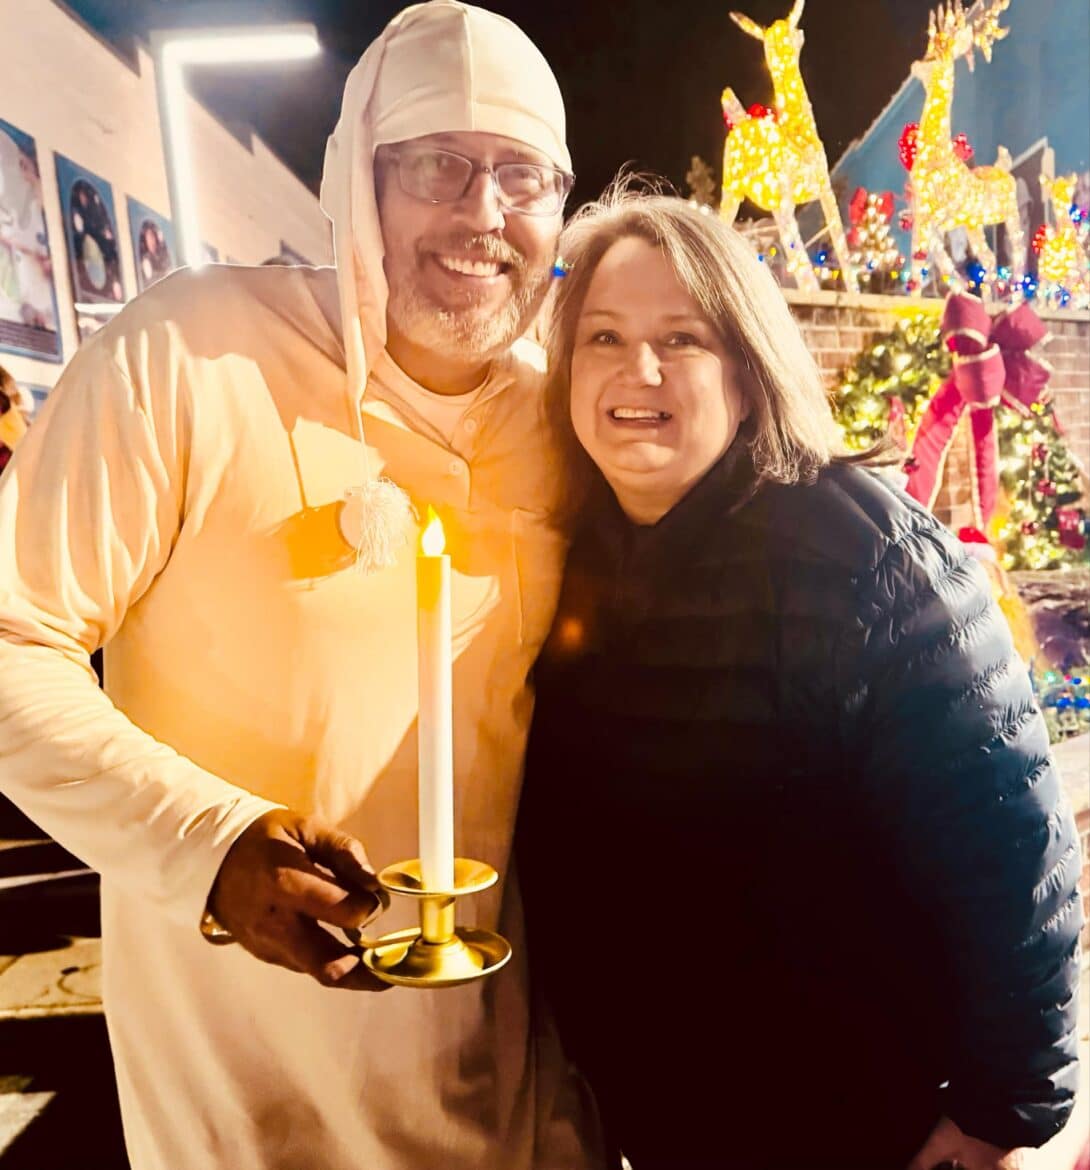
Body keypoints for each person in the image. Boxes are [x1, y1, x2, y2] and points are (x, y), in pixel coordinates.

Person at [0, 3, 605, 1168]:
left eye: (521, 174)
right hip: (251, 1113)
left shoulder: (565, 419)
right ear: (358, 182)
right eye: (437, 165)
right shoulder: (193, 354)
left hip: (521, 1106)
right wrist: (207, 842)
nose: (483, 212)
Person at [517, 188, 1083, 1170]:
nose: (637, 369)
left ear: (746, 370)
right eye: (603, 336)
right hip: (664, 1125)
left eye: (681, 338)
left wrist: (1001, 1110)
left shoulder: (864, 552)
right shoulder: (568, 557)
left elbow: (1011, 850)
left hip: (865, 1125)